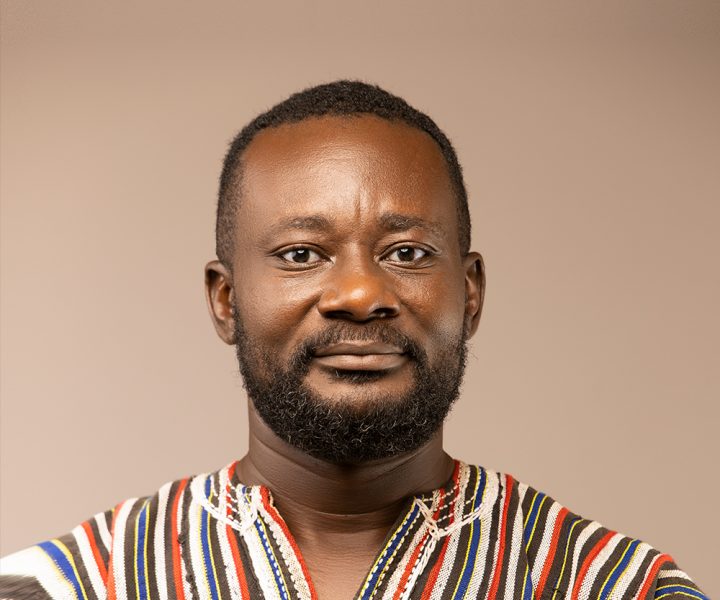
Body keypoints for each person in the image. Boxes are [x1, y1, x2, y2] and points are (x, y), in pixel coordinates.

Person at [0, 81, 706, 600]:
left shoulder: (613, 586)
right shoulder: (69, 586)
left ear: (470, 293)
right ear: (226, 299)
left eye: (407, 253)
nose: (361, 295)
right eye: (301, 254)